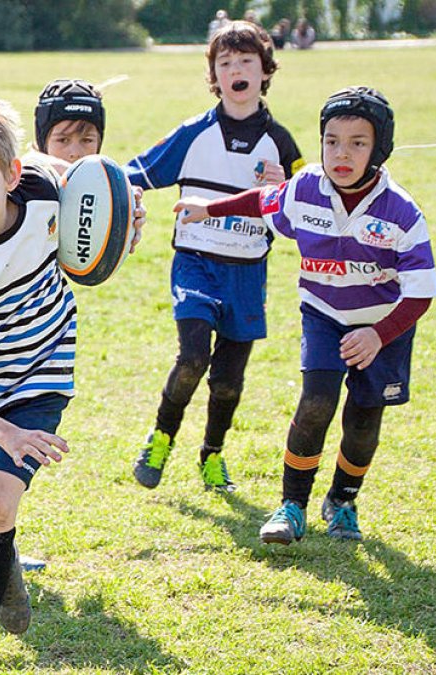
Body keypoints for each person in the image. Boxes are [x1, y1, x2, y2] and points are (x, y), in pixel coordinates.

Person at [0, 88, 143, 675]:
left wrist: (126, 212)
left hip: (41, 375)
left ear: (12, 173)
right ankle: (1, 563)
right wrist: (0, 434)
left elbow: (93, 181)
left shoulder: (43, 184)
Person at [176, 87, 436, 543]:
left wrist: (378, 334)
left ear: (380, 148)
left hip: (383, 325)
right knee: (316, 401)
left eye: (358, 143)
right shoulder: (306, 188)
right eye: (332, 140)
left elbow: (421, 294)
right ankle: (291, 506)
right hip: (323, 313)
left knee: (363, 421)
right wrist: (207, 209)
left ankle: (342, 500)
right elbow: (262, 202)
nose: (342, 153)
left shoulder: (402, 212)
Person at [126, 21, 303, 493]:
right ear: (214, 76)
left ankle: (212, 453)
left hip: (247, 273)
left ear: (265, 72)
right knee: (192, 356)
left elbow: (309, 208)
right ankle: (161, 437)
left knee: (228, 380)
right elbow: (136, 172)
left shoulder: (282, 145)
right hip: (196, 265)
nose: (235, 70)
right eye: (225, 64)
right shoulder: (193, 134)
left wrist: (282, 191)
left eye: (246, 61)